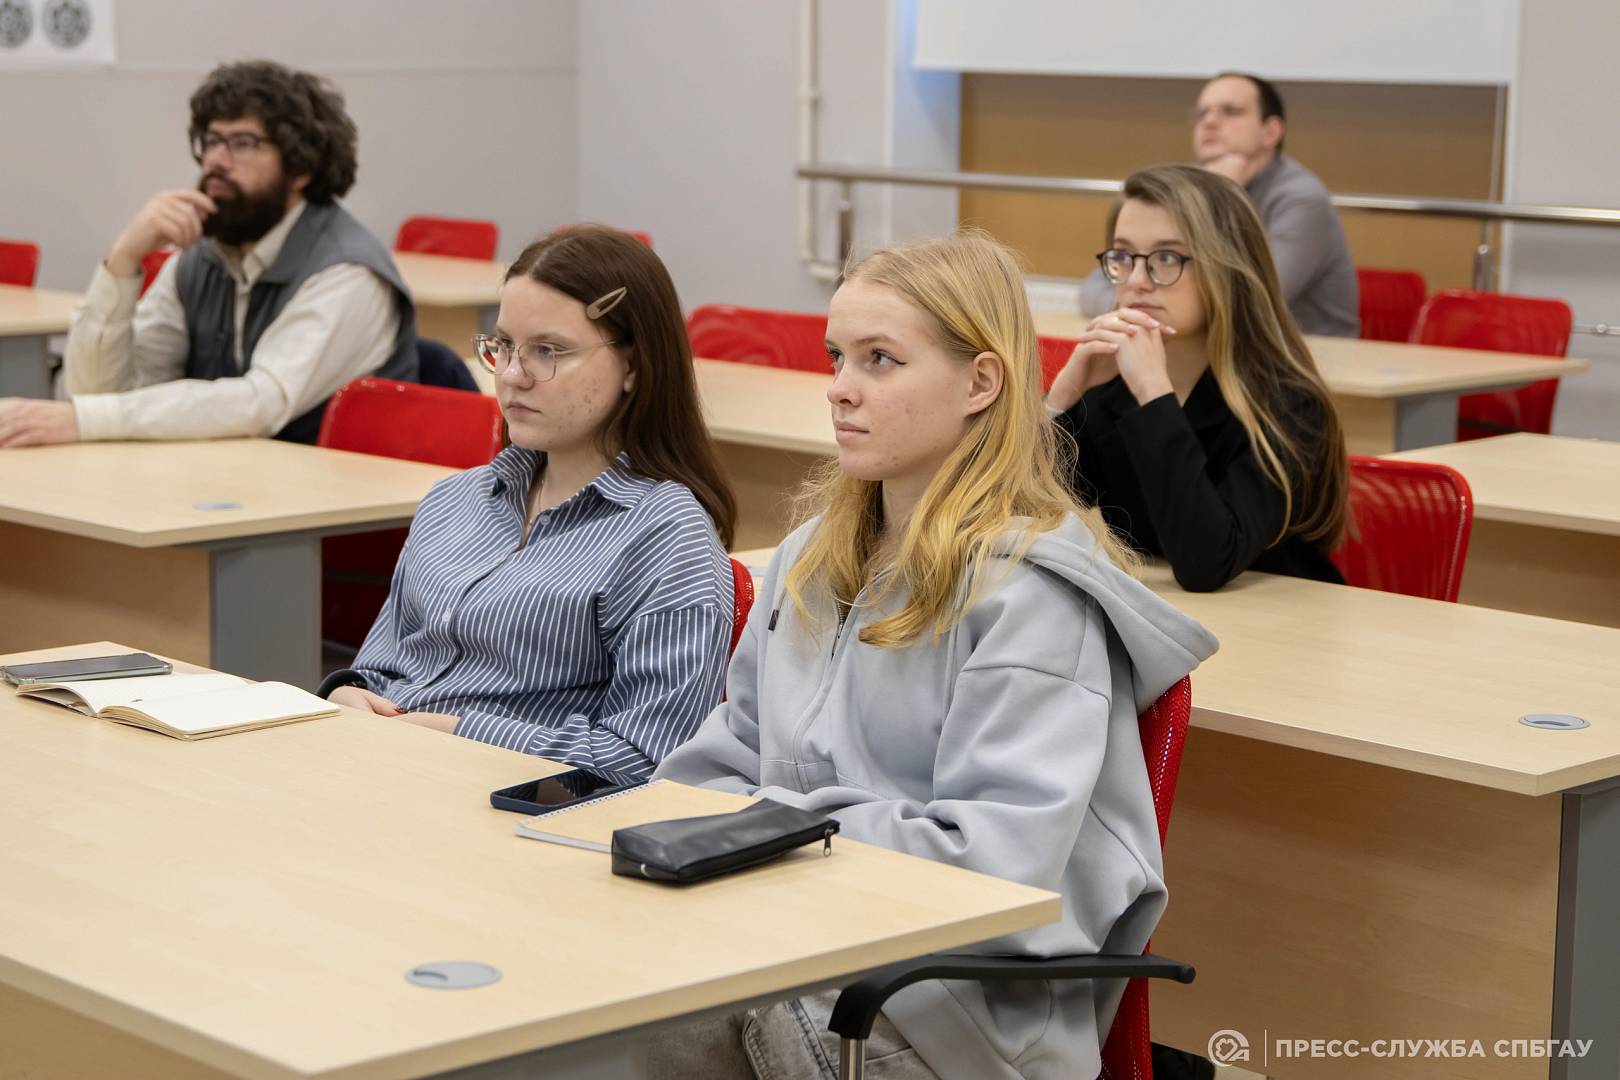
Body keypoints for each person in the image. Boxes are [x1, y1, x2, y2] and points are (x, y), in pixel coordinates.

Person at [648, 231, 1217, 1080]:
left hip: (948, 1015)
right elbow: (705, 774)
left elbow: (991, 866)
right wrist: (766, 827)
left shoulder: (1032, 596)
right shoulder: (808, 560)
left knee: (606, 1040)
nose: (840, 388)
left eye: (880, 360)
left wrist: (772, 827)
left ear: (981, 383)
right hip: (796, 943)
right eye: (837, 356)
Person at [317, 226, 737, 782]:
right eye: (504, 346)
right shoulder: (454, 500)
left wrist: (462, 732)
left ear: (634, 366)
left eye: (548, 351)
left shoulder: (666, 538)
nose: (513, 375)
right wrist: (348, 692)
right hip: (378, 769)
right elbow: (378, 667)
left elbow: (647, 760)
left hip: (496, 804)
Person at [0, 60, 416, 448]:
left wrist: (85, 420)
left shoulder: (348, 273)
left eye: (243, 143)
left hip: (330, 498)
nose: (216, 160)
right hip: (221, 487)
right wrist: (124, 258)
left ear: (300, 169)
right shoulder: (200, 257)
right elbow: (97, 394)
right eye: (212, 140)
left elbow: (260, 404)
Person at [1053, 164, 1350, 591]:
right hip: (1158, 616)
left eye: (1166, 258)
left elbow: (1205, 562)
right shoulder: (1110, 390)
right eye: (1123, 257)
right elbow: (1016, 519)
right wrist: (1061, 397)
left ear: (1226, 270)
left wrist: (1154, 393)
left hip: (1283, 621)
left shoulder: (1288, 405)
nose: (1137, 281)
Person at [1080, 71, 1358, 337]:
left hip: (1309, 358)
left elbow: (1249, 303)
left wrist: (1220, 198)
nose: (1210, 122)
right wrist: (1137, 313)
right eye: (1202, 113)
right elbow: (1093, 288)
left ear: (1271, 132)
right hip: (1203, 347)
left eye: (1230, 111)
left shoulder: (1302, 199)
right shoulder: (1184, 190)